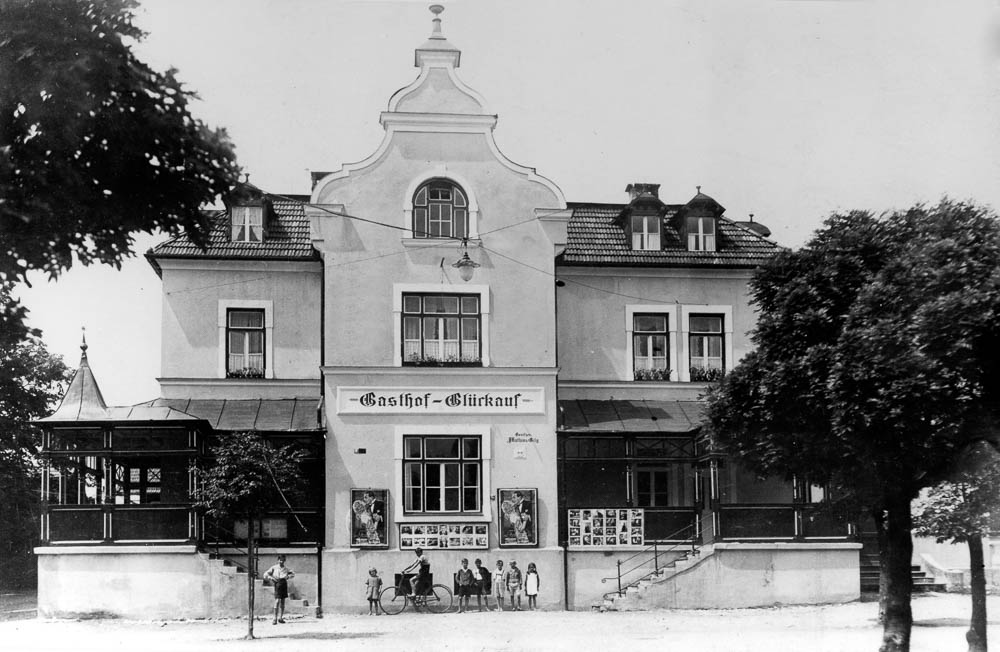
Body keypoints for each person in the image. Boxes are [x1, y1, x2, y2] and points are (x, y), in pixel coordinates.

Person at [262, 555, 295, 624]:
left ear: (284, 561)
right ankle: (274, 618)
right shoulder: (274, 568)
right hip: (277, 584)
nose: (281, 561)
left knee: (283, 601)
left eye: (283, 560)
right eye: (280, 560)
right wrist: (271, 578)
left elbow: (293, 574)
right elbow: (265, 574)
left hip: (283, 584)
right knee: (277, 601)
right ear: (278, 560)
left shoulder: (286, 569)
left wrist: (288, 577)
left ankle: (281, 618)